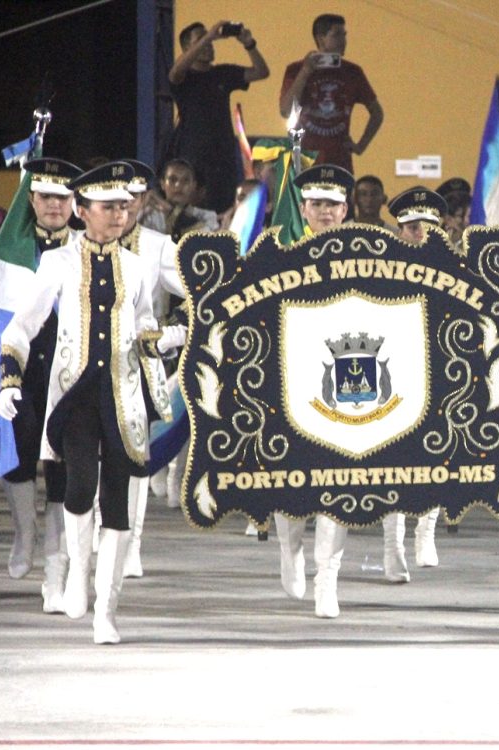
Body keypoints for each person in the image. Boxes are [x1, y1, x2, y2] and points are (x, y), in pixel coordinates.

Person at [0, 162, 182, 644]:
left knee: (117, 499)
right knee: (78, 488)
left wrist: (165, 339)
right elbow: (21, 327)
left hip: (123, 396)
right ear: (83, 211)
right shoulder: (57, 264)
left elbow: (142, 326)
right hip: (74, 396)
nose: (119, 215)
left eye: (124, 206)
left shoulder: (138, 266)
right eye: (108, 207)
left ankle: (107, 610)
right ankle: (78, 572)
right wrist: (10, 381)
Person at [271, 164, 354, 618]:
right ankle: (290, 548)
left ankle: (328, 578)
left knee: (338, 482)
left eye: (333, 204)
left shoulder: (368, 253)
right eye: (317, 204)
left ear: (345, 209)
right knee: (291, 479)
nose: (324, 211)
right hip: (291, 378)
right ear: (303, 208)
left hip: (345, 381)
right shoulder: (282, 253)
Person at [0, 159, 80, 604]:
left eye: (62, 197)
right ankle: (23, 536)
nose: (53, 205)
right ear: (31, 200)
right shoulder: (10, 247)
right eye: (45, 196)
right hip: (22, 369)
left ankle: (55, 570)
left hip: (67, 371)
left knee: (63, 472)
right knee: (19, 452)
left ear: (74, 202)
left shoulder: (84, 249)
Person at [374, 185, 450, 582]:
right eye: (412, 227)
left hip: (439, 375)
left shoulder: (453, 270)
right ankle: (393, 546)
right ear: (399, 230)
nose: (420, 234)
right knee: (392, 461)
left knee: (436, 456)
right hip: (394, 374)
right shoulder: (381, 270)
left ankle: (427, 530)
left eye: (428, 227)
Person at [118, 159, 187, 579]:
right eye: (112, 199)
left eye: (131, 198)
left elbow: (204, 295)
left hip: (141, 365)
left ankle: (131, 544)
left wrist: (173, 336)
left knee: (135, 459)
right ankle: (87, 541)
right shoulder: (72, 245)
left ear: (144, 200)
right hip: (82, 367)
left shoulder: (159, 245)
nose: (121, 207)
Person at [167, 20, 269, 213]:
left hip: (223, 158)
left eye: (211, 42)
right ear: (188, 47)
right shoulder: (184, 77)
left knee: (223, 210)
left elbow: (261, 72)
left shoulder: (222, 73)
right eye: (202, 40)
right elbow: (174, 72)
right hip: (194, 157)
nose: (209, 45)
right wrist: (209, 35)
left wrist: (249, 43)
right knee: (192, 213)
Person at [279, 13, 382, 173]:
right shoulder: (296, 70)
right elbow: (286, 111)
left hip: (339, 161)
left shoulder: (353, 72)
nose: (343, 40)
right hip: (304, 161)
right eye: (337, 35)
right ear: (320, 40)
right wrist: (306, 72)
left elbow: (377, 113)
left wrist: (361, 145)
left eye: (344, 35)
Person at [139, 158, 220, 241]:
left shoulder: (207, 216)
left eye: (185, 180)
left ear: (193, 185)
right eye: (172, 180)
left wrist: (171, 211)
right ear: (162, 184)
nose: (178, 185)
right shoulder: (149, 215)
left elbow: (206, 242)